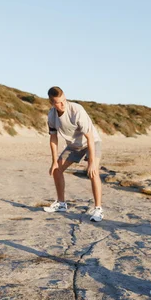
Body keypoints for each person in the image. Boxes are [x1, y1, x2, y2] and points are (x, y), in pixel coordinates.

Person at [44, 86, 104, 222]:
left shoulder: (77, 110)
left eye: (63, 100)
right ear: (52, 103)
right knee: (57, 170)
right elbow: (53, 138)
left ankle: (98, 209)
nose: (62, 104)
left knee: (93, 172)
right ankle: (61, 203)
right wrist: (54, 161)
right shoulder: (51, 115)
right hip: (74, 145)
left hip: (91, 142)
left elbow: (89, 137)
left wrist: (92, 162)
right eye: (58, 102)